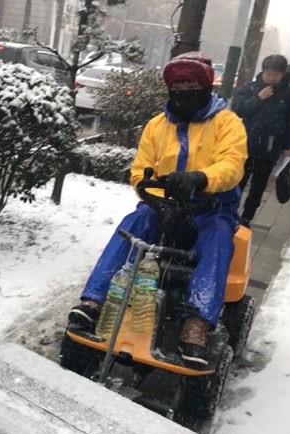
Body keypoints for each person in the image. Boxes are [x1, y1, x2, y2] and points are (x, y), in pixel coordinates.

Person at [67, 52, 248, 368]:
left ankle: (197, 322)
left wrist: (202, 178)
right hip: (163, 207)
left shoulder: (227, 123)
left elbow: (232, 165)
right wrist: (153, 199)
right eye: (178, 84)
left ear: (205, 86)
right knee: (134, 222)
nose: (184, 89)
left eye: (191, 83)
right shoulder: (156, 126)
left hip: (210, 209)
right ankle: (94, 300)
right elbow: (140, 171)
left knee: (219, 237)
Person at [232, 54, 290, 227]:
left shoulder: (289, 95)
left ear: (282, 74)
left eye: (276, 74)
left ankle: (246, 218)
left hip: (270, 148)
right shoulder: (250, 88)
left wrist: (288, 146)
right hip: (246, 146)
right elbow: (238, 110)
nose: (271, 78)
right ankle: (229, 214)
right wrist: (259, 98)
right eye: (268, 73)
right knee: (237, 183)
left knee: (258, 187)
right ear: (262, 71)